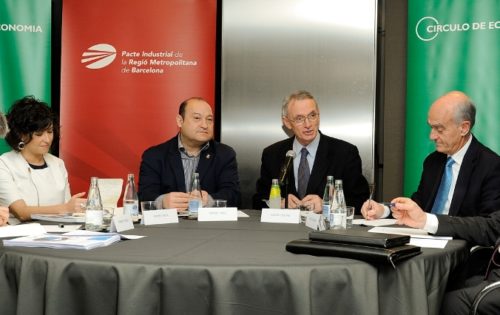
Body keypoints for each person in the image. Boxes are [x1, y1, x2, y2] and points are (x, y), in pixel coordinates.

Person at [361, 91, 500, 220]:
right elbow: (419, 205)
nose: (432, 136)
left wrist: (433, 223)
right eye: (431, 127)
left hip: (460, 244)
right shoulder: (433, 161)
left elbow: (487, 226)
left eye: (439, 129)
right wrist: (383, 210)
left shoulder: (491, 166)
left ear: (463, 128)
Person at [253, 90, 369, 212]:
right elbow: (258, 200)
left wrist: (327, 205)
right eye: (299, 118)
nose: (308, 124)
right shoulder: (272, 154)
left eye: (312, 116)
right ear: (287, 122)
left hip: (326, 229)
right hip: (285, 230)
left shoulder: (345, 153)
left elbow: (361, 201)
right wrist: (279, 203)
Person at [390, 197, 500, 315]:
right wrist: (425, 220)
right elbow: (489, 226)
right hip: (490, 274)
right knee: (431, 288)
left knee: (437, 303)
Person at [139, 97, 240, 210]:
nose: (205, 125)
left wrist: (209, 200)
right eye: (197, 118)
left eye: (209, 119)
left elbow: (233, 195)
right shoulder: (154, 156)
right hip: (168, 225)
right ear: (180, 121)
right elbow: (144, 195)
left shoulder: (225, 154)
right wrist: (162, 202)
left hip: (209, 226)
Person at [0, 96, 86, 222]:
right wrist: (66, 208)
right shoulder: (4, 164)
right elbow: (22, 212)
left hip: (59, 234)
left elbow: (68, 208)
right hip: (19, 238)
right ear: (21, 135)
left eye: (50, 132)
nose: (47, 140)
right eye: (39, 134)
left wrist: (73, 208)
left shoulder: (57, 163)